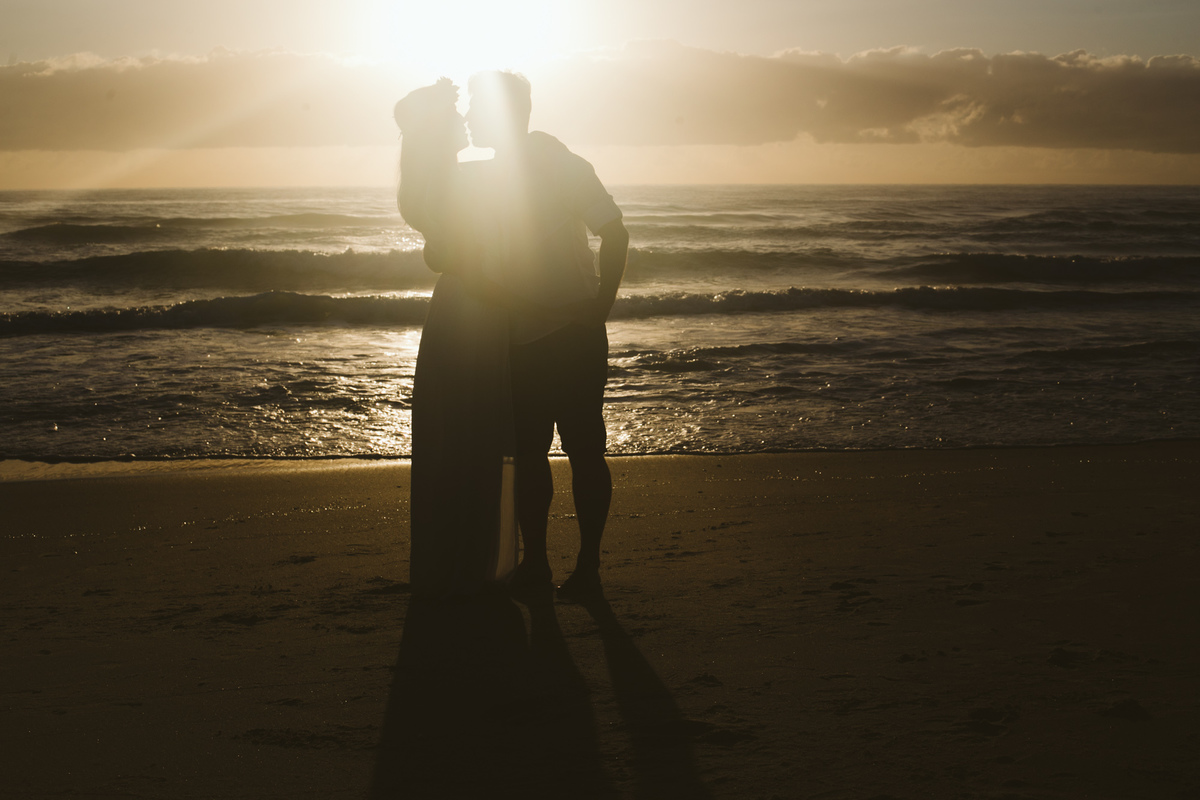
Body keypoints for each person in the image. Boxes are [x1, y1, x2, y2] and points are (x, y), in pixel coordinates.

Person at [464, 71, 629, 601]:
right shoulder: (487, 175)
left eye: (476, 108)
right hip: (524, 336)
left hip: (570, 334)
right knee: (535, 454)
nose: (468, 117)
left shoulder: (559, 163)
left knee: (580, 450)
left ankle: (585, 566)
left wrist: (600, 307)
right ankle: (540, 563)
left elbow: (615, 231)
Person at [394, 79, 518, 598]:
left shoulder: (437, 181)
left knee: (457, 430)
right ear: (437, 129)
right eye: (455, 114)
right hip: (474, 308)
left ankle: (456, 558)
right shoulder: (447, 184)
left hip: (459, 306)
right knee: (474, 428)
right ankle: (472, 560)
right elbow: (461, 258)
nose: (465, 119)